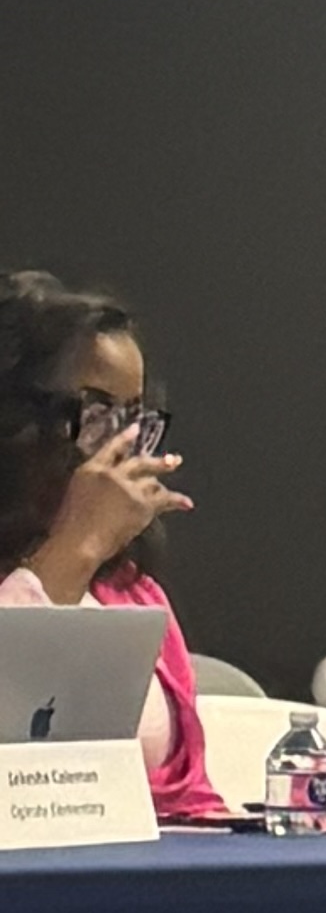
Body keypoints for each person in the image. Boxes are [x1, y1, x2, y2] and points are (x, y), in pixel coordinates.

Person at [0, 271, 223, 821]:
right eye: (98, 416)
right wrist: (72, 549)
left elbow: (190, 797)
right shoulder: (75, 558)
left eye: (135, 422)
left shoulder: (135, 598)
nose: (123, 451)